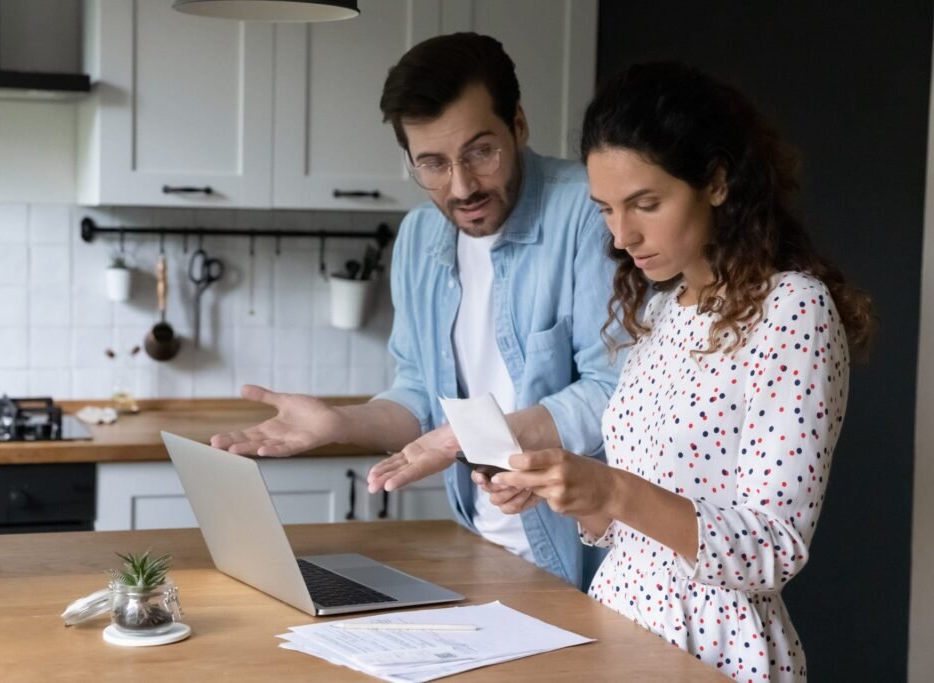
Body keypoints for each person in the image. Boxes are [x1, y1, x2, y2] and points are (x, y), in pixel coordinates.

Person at [483, 62, 874, 681]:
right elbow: (633, 531)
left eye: (646, 203)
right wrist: (571, 494)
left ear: (716, 182)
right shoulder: (664, 308)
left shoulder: (792, 310)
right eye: (606, 209)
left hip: (717, 648)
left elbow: (774, 548)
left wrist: (610, 488)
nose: (622, 235)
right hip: (620, 630)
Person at [210, 33, 621, 589]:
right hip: (480, 543)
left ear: (518, 126)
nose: (462, 186)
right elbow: (419, 396)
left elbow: (613, 391)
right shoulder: (419, 236)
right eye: (432, 163)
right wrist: (342, 423)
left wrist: (473, 437)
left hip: (590, 554)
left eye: (481, 152)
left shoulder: (588, 212)